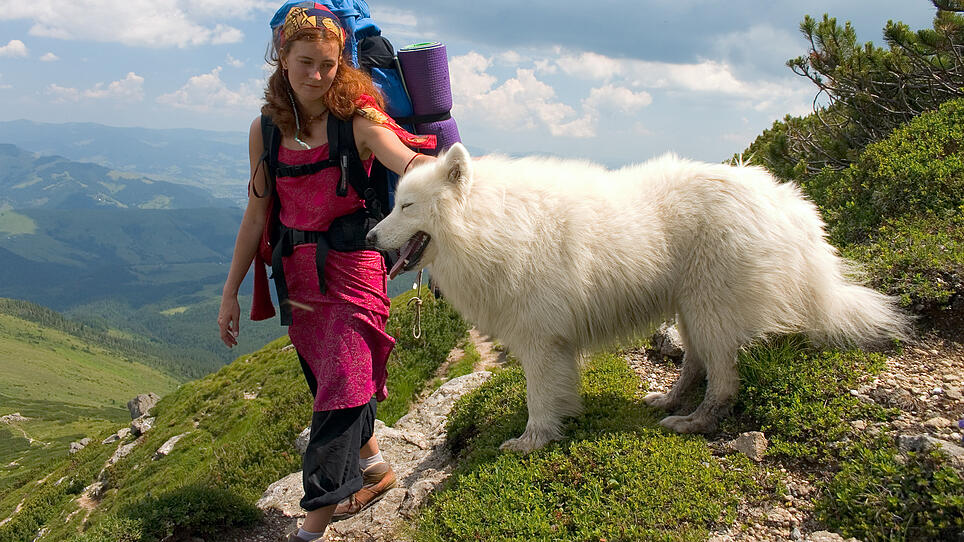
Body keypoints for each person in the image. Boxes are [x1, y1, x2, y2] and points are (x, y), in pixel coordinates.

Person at [217, 3, 435, 541]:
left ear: (343, 62)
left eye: (329, 65)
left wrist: (433, 171)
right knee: (328, 378)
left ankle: (311, 527)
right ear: (282, 60)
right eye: (305, 62)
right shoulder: (265, 130)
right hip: (298, 275)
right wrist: (230, 293)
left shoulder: (359, 119)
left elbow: (404, 160)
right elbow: (257, 213)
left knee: (339, 388)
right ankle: (377, 469)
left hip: (355, 269)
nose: (317, 75)